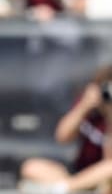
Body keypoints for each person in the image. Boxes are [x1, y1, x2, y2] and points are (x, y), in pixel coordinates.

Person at [19, 65, 112, 194]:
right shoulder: (90, 108)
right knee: (31, 167)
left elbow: (109, 160)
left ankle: (66, 188)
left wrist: (109, 116)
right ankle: (71, 187)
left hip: (104, 177)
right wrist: (84, 107)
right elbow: (62, 137)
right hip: (80, 172)